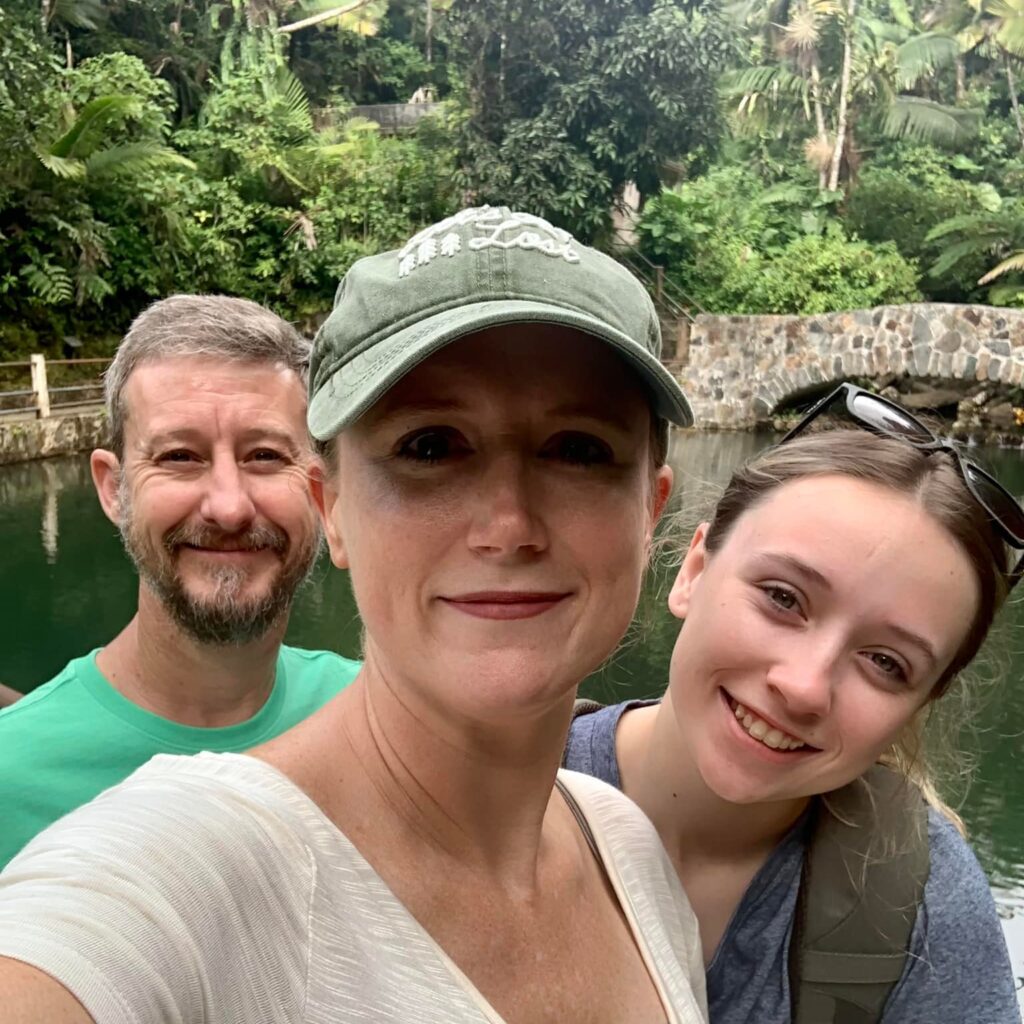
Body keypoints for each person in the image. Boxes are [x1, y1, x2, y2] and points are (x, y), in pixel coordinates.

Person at [0, 206, 708, 1024]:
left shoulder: (629, 851)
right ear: (330, 508)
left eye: (579, 448)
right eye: (431, 447)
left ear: (650, 508)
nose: (508, 524)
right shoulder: (182, 869)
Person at [566, 382, 1021, 1024]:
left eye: (887, 664)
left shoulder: (921, 910)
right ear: (693, 570)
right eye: (783, 597)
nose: (805, 686)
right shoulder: (486, 789)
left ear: (919, 703)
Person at [0, 295, 360, 868]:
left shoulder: (379, 722)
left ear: (320, 490)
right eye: (179, 457)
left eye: (265, 455)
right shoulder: (11, 777)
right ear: (114, 489)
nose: (228, 507)